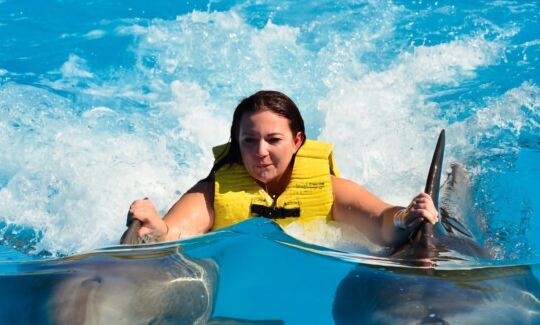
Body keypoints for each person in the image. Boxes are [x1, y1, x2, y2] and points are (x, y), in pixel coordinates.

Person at [129, 90, 438, 247]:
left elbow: (380, 222)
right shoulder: (215, 191)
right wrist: (157, 231)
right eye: (249, 140)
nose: (260, 152)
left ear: (297, 142)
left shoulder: (325, 188)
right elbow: (175, 233)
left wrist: (404, 217)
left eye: (273, 139)